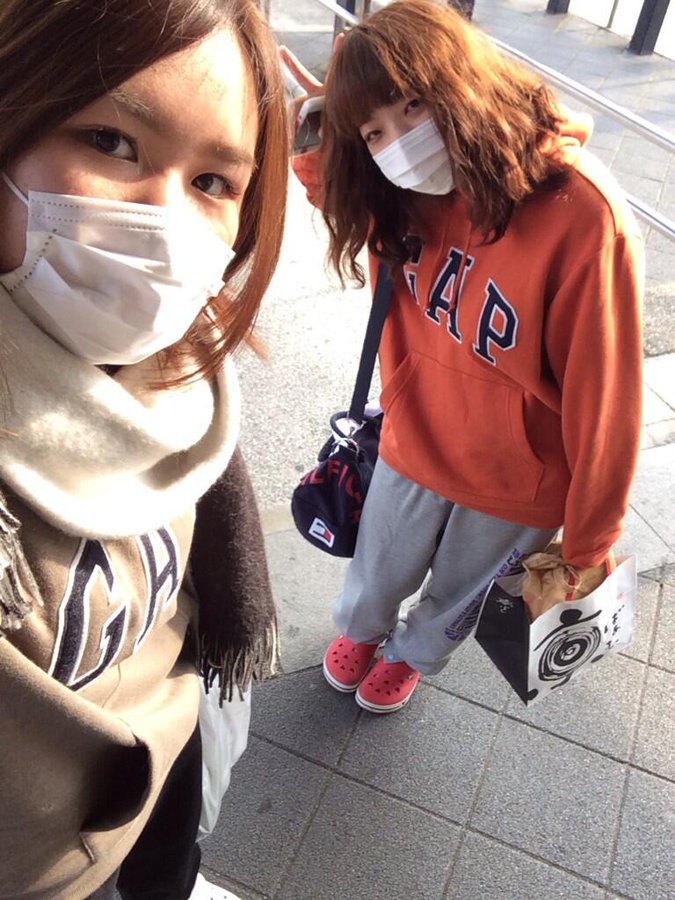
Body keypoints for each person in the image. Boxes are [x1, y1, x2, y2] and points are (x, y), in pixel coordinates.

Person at [0, 1, 288, 897]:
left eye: (213, 181)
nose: (167, 219)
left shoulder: (182, 377)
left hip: (164, 779)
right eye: (111, 141)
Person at [284, 0, 644, 714]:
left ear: (460, 82)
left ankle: (412, 656)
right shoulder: (396, 190)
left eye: (413, 105)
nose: (400, 143)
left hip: (518, 476)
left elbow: (605, 396)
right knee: (377, 564)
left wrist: (590, 536)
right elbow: (331, 185)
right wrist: (326, 122)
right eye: (375, 132)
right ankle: (363, 631)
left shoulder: (580, 213)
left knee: (460, 594)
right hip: (415, 435)